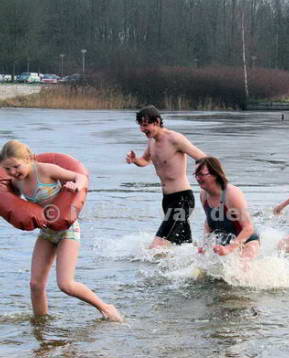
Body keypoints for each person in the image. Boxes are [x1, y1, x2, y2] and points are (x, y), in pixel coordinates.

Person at [0, 140, 122, 321]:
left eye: (16, 166)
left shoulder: (44, 170)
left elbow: (80, 177)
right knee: (35, 285)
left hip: (68, 230)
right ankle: (41, 324)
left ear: (27, 158)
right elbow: (11, 203)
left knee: (66, 284)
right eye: (7, 169)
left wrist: (76, 186)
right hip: (47, 233)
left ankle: (106, 308)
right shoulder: (16, 182)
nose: (12, 172)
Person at [125, 105, 206, 248]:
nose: (142, 129)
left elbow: (203, 158)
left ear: (156, 121)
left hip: (182, 200)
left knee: (156, 246)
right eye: (140, 126)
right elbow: (145, 160)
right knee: (182, 246)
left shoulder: (174, 139)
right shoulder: (151, 141)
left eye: (145, 125)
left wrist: (206, 183)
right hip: (167, 200)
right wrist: (135, 160)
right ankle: (204, 256)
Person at [195, 156, 260, 259]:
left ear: (215, 174)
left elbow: (248, 228)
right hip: (224, 244)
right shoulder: (203, 195)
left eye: (201, 174)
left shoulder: (231, 194)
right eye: (196, 174)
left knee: (241, 268)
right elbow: (208, 223)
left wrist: (229, 248)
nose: (198, 178)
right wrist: (205, 244)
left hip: (247, 241)